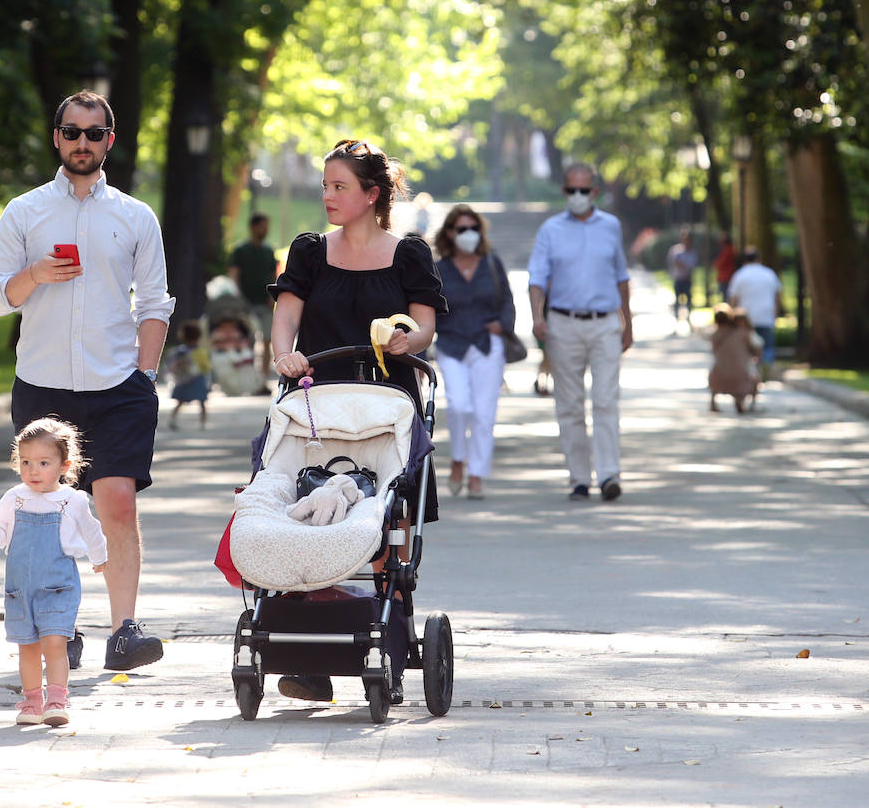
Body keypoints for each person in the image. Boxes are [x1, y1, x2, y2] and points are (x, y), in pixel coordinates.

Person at [0, 90, 174, 672]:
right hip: (42, 385)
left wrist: (145, 373)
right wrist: (34, 274)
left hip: (118, 385)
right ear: (56, 138)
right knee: (48, 513)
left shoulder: (136, 216)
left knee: (115, 501)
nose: (81, 143)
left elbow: (156, 304)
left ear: (110, 140)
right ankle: (61, 630)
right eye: (71, 132)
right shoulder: (25, 212)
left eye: (94, 133)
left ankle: (124, 631)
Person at [268, 137, 446, 702]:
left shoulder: (409, 253)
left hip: (386, 407)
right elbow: (286, 316)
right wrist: (283, 355)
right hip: (318, 406)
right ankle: (311, 655)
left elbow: (424, 328)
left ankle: (386, 648)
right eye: (325, 186)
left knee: (387, 521)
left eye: (340, 187)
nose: (328, 196)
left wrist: (405, 340)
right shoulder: (310, 252)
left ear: (372, 195)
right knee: (310, 514)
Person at [0, 418, 108, 726]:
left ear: (64, 465)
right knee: (28, 646)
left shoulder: (71, 500)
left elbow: (92, 532)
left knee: (55, 643)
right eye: (26, 462)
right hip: (20, 588)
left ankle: (57, 701)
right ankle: (32, 702)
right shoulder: (14, 498)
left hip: (58, 587)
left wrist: (100, 557)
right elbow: (0, 535)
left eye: (43, 463)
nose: (33, 470)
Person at [527, 163, 632, 503]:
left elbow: (621, 276)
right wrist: (537, 317)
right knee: (569, 404)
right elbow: (537, 278)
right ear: (564, 192)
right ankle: (578, 479)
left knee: (605, 400)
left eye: (583, 190)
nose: (577, 196)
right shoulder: (551, 230)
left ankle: (609, 475)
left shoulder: (611, 227)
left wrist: (627, 321)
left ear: (594, 192)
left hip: (604, 323)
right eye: (571, 190)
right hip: (563, 323)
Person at [432, 205, 515, 501]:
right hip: (452, 345)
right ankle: (457, 460)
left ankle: (476, 474)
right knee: (458, 405)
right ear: (450, 233)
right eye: (462, 229)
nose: (469, 234)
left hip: (486, 345)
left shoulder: (491, 263)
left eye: (474, 228)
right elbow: (428, 309)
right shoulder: (439, 269)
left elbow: (507, 300)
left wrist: (502, 324)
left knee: (483, 413)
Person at [228, 212, 279, 378]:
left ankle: (262, 379)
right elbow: (234, 274)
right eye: (262, 226)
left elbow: (274, 275)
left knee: (267, 340)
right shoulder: (241, 250)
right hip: (246, 303)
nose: (265, 230)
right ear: (253, 227)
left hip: (265, 303)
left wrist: (273, 296)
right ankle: (248, 378)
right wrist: (237, 297)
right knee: (247, 342)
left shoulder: (269, 251)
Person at [726, 246, 782, 379]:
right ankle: (765, 367)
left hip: (745, 319)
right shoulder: (770, 274)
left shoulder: (739, 275)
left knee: (746, 347)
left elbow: (733, 299)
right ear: (759, 258)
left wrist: (732, 319)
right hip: (766, 316)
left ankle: (749, 371)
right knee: (767, 346)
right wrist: (775, 313)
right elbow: (778, 297)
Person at [708, 304, 763, 413]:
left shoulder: (715, 335)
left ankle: (713, 402)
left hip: (718, 374)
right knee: (753, 377)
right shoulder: (744, 333)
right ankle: (744, 402)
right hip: (741, 373)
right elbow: (757, 349)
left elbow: (714, 352)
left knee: (716, 373)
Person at [163, 320, 210, 429]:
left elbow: (170, 366)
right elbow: (206, 367)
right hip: (198, 379)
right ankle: (202, 423)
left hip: (183, 380)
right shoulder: (201, 352)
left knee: (180, 401)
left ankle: (173, 420)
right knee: (202, 402)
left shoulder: (179, 351)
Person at [666, 228, 699, 330]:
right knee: (677, 301)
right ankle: (676, 322)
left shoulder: (692, 252)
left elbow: (691, 266)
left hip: (687, 279)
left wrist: (681, 264)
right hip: (678, 279)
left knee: (689, 301)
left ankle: (688, 320)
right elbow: (672, 262)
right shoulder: (675, 250)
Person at [714, 231, 737, 301]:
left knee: (726, 298)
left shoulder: (728, 250)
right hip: (725, 278)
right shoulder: (725, 249)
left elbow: (720, 264)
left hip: (726, 278)